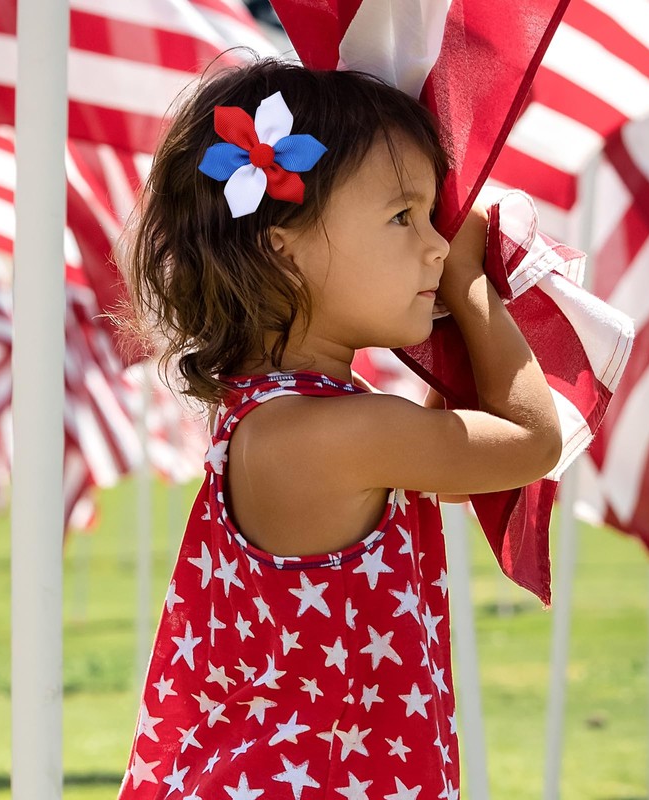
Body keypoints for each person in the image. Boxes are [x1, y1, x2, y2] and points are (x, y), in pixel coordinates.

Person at [117, 57, 562, 799]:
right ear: (281, 249)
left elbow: (451, 468)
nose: (435, 244)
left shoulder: (291, 417)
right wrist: (473, 286)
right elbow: (530, 442)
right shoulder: (336, 433)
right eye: (403, 217)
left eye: (434, 220)